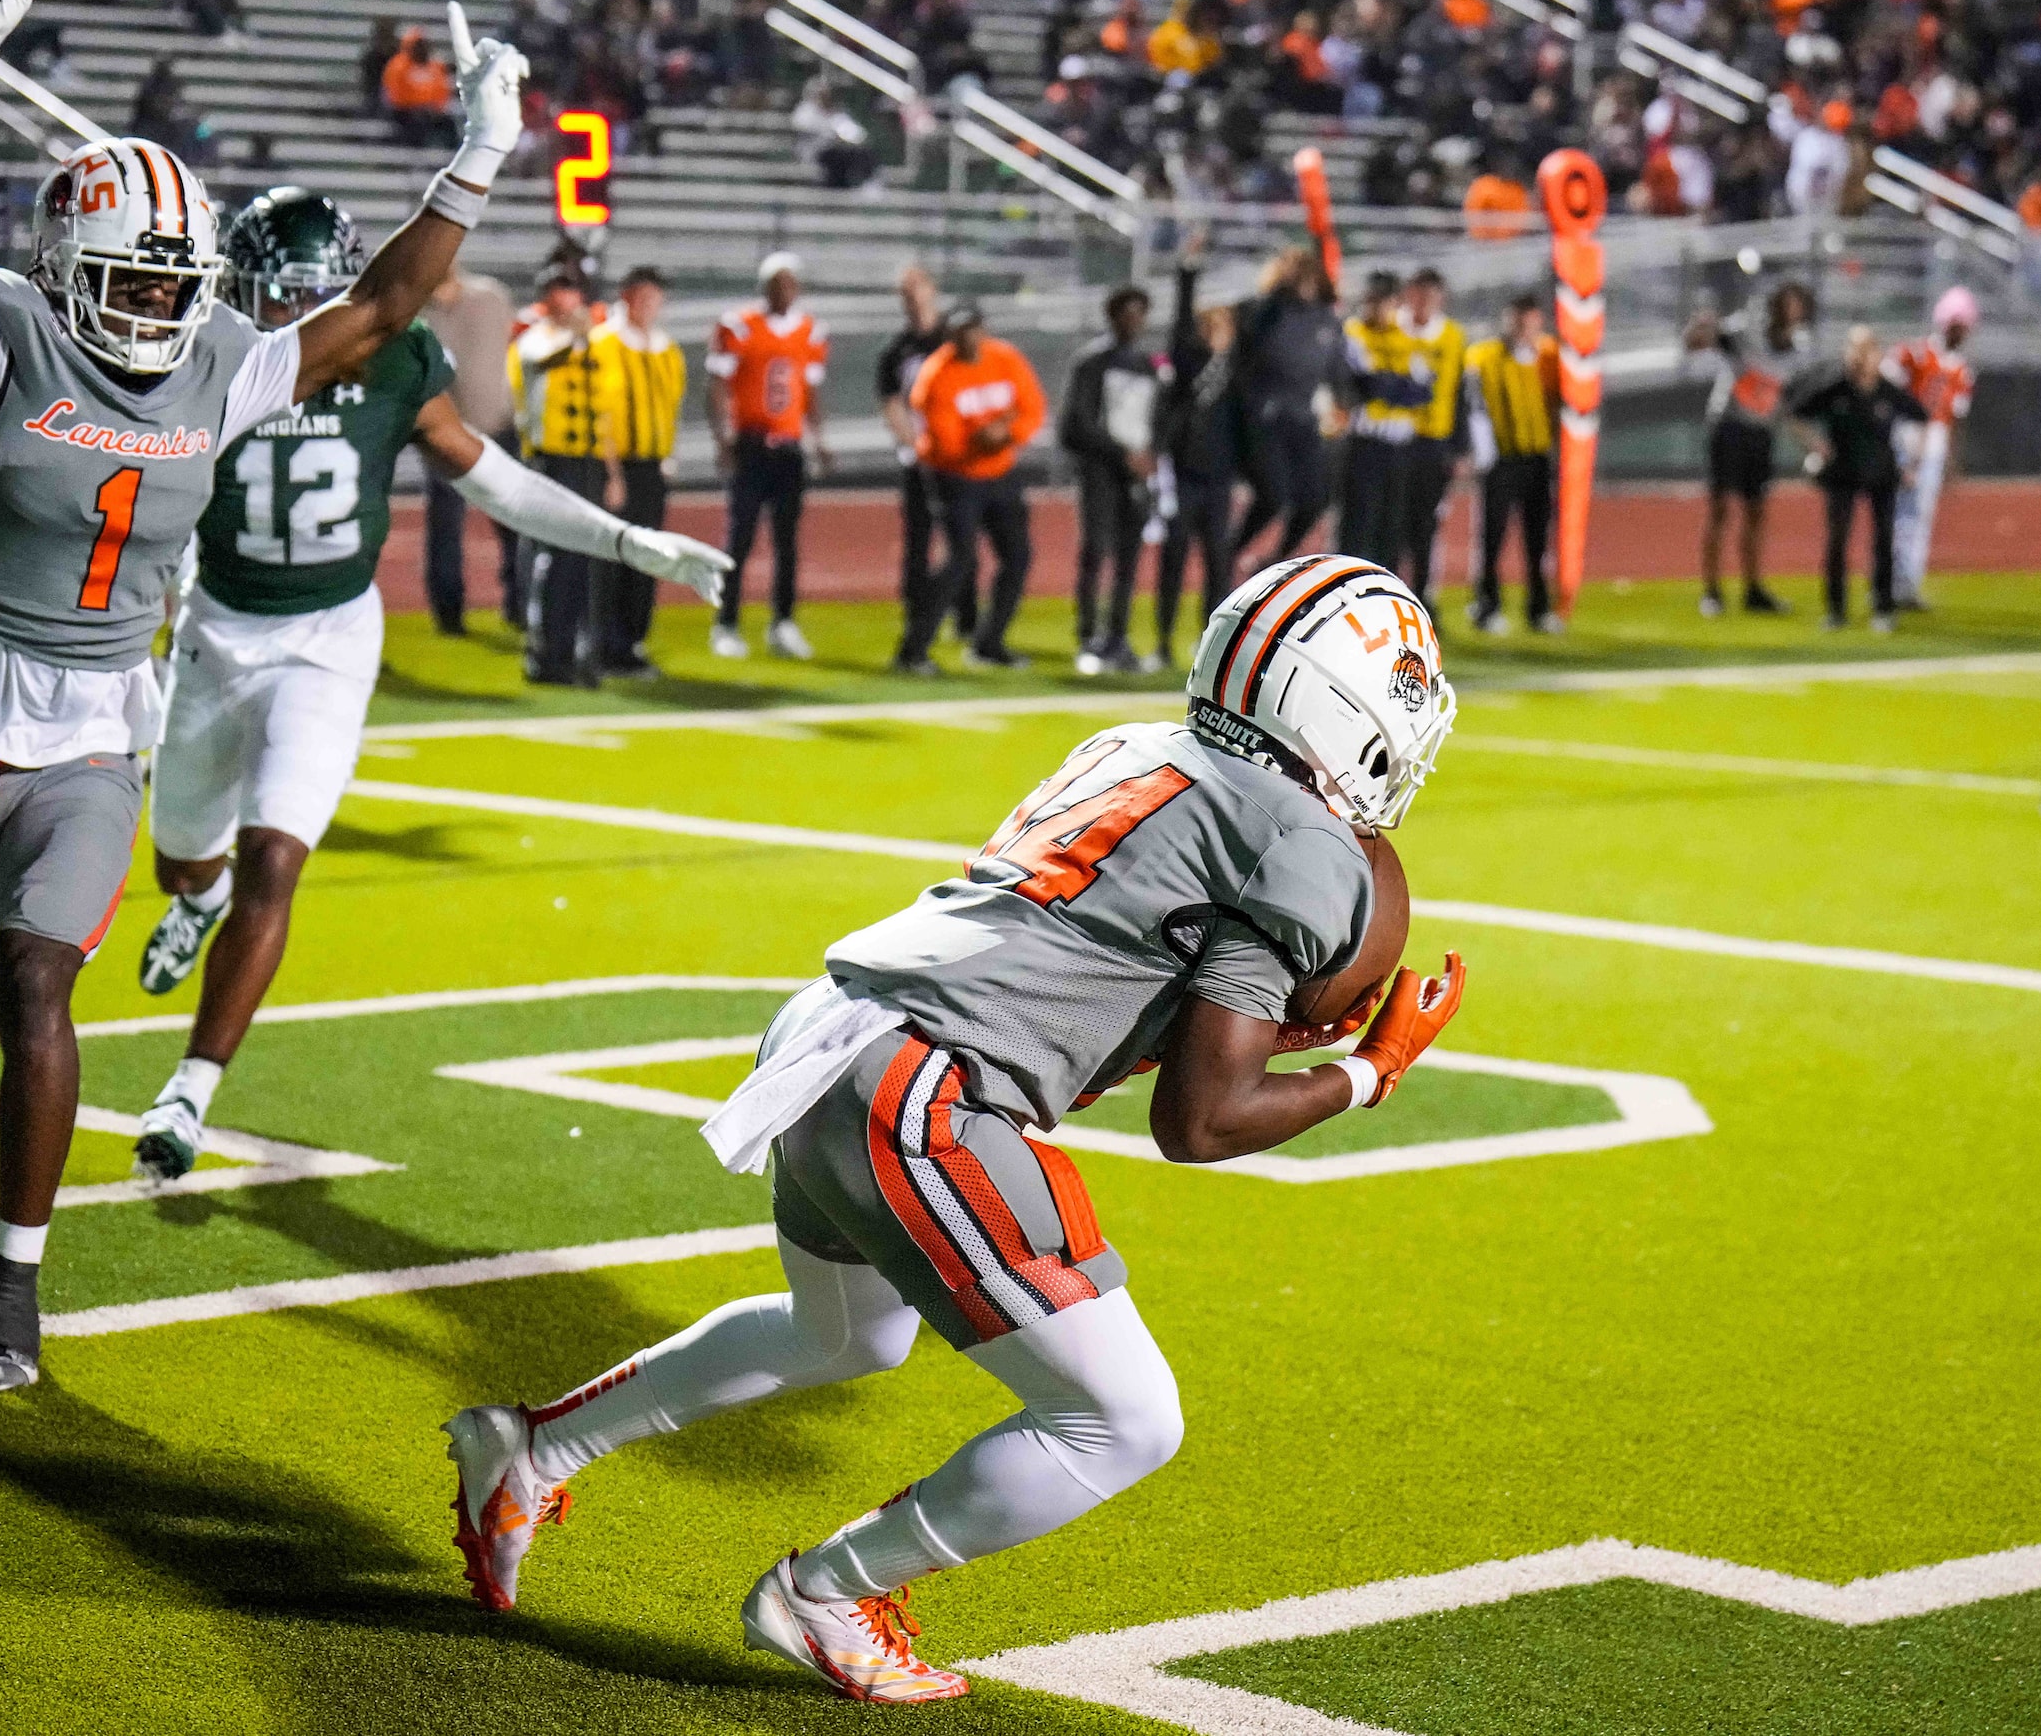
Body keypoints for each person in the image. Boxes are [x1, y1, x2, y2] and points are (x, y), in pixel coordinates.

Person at [439, 556, 1469, 1701]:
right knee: (1124, 1421)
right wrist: (1365, 1073)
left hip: (831, 1035)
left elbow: (1099, 966)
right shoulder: (1306, 847)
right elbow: (1201, 1120)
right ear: (1346, 711)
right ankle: (825, 1593)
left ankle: (535, 1450)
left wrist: (1242, 1021)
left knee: (844, 1338)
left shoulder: (1135, 746)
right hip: (921, 1090)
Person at [0, 0, 528, 1395]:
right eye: (130, 277)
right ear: (70, 264)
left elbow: (388, 300)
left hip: (92, 741)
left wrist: (478, 160)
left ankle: (11, 1297)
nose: (155, 302)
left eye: (171, 278)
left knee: (37, 988)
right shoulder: (3, 335)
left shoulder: (222, 358)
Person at [133, 193, 725, 1174]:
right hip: (214, 632)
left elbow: (493, 478)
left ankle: (188, 1093)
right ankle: (196, 901)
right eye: (280, 298)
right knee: (185, 859)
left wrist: (624, 541)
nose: (296, 318)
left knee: (275, 857)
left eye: (314, 296)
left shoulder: (396, 362)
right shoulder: (208, 359)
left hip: (327, 636)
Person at [904, 302, 1043, 667]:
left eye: (974, 329)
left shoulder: (1005, 358)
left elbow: (1033, 408)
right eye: (961, 331)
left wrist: (1004, 433)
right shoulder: (936, 375)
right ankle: (913, 649)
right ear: (951, 336)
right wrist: (993, 433)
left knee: (1018, 556)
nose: (970, 337)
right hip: (954, 477)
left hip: (1000, 472)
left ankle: (989, 642)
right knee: (959, 560)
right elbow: (948, 444)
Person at [707, 251, 831, 661]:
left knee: (787, 542)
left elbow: (810, 392)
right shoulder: (740, 325)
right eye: (777, 282)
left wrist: (819, 439)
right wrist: (723, 440)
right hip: (751, 444)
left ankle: (783, 623)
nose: (784, 290)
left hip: (788, 448)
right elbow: (717, 385)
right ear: (764, 286)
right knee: (738, 540)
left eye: (790, 282)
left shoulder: (810, 332)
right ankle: (725, 624)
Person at [508, 263, 624, 686]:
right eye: (557, 292)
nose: (566, 300)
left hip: (588, 462)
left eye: (571, 291)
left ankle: (580, 649)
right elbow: (544, 360)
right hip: (552, 461)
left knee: (586, 560)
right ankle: (547, 653)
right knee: (557, 559)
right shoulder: (534, 338)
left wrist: (613, 473)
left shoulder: (595, 345)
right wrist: (579, 335)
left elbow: (603, 414)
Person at [1785, 325, 1926, 633]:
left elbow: (1920, 418)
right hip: (1842, 473)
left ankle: (1883, 607)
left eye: (1866, 349)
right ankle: (1836, 610)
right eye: (1854, 348)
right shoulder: (1834, 388)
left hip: (1881, 472)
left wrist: (1913, 462)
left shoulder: (1888, 391)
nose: (1860, 357)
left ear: (1877, 353)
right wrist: (1817, 446)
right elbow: (1793, 413)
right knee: (1837, 541)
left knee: (1884, 540)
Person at [1687, 281, 1814, 616]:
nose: (1792, 311)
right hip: (1728, 426)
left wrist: (1808, 440)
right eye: (1787, 303)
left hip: (1760, 432)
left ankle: (1753, 588)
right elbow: (1699, 342)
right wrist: (1703, 325)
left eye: (1797, 304)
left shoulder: (1799, 350)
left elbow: (1785, 401)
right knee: (1720, 509)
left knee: (1757, 512)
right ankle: (1712, 591)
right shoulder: (1746, 332)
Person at [1058, 284, 1166, 675]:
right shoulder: (1092, 363)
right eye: (1128, 313)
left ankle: (1118, 637)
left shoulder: (1147, 365)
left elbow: (1155, 421)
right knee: (1095, 552)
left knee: (1128, 559)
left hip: (1133, 475)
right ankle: (1089, 638)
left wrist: (1152, 454)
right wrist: (1124, 453)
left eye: (1141, 313)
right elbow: (1075, 425)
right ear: (1113, 316)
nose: (1135, 321)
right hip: (1101, 472)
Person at [592, 266, 687, 676]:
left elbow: (672, 407)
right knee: (613, 557)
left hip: (651, 466)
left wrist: (667, 456)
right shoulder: (604, 345)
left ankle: (631, 641)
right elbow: (600, 413)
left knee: (647, 557)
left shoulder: (666, 350)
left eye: (656, 298)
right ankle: (605, 643)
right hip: (616, 465)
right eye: (643, 297)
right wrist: (610, 473)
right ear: (626, 297)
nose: (650, 306)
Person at [1229, 248, 1347, 574]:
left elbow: (1338, 374)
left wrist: (1346, 399)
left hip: (1303, 418)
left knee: (1316, 498)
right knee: (1274, 494)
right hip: (1265, 416)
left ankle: (1277, 560)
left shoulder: (1328, 320)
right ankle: (1227, 552)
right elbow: (1247, 344)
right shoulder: (1266, 312)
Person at [417, 254, 518, 635]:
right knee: (446, 528)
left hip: (500, 425)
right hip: (447, 435)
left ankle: (520, 604)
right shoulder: (419, 313)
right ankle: (449, 612)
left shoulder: (492, 297)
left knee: (514, 519)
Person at [1153, 236, 1238, 672]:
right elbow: (1178, 326)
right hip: (1185, 476)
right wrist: (1188, 270)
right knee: (1173, 559)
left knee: (1219, 570)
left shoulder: (1238, 370)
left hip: (1220, 479)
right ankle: (1163, 642)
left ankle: (1213, 652)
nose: (1216, 331)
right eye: (1211, 324)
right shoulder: (1188, 361)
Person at [1462, 294, 1563, 635]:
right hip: (1501, 459)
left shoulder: (1549, 356)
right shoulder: (1485, 356)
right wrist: (1482, 451)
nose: (1523, 329)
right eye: (1517, 321)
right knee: (1492, 536)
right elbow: (1475, 404)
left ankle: (1539, 608)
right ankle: (1486, 605)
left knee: (1538, 539)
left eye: (1529, 322)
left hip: (1537, 458)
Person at [877, 265, 957, 675]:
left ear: (932, 289)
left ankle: (962, 619)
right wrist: (916, 445)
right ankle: (918, 622)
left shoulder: (953, 338)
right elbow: (892, 405)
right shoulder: (897, 351)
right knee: (919, 545)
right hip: (923, 460)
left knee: (962, 545)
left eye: (916, 289)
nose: (912, 298)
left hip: (961, 459)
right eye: (904, 292)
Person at [1885, 286, 1977, 612]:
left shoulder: (1961, 370)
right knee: (1896, 512)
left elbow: (1955, 418)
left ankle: (1907, 583)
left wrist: (1954, 457)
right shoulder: (1915, 354)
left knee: (1920, 515)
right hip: (1907, 436)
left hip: (1934, 442)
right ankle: (1889, 582)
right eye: (1957, 324)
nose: (1961, 332)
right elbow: (1887, 386)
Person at [1337, 270, 1430, 572]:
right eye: (1373, 301)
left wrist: (1388, 385)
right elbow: (1369, 385)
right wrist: (1397, 385)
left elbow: (1423, 391)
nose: (1377, 308)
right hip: (1365, 443)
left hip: (1401, 446)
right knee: (1357, 525)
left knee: (1393, 528)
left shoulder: (1409, 336)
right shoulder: (1354, 332)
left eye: (1385, 301)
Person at [1396, 266, 1468, 613]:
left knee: (1425, 525)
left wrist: (1460, 446)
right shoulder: (1394, 329)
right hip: (1394, 439)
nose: (1424, 303)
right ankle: (1388, 593)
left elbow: (1458, 393)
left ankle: (1424, 597)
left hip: (1432, 443)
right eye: (1419, 295)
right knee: (1391, 522)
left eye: (1431, 297)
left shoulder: (1452, 336)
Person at [382, 26, 455, 147]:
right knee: (416, 123)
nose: (421, 49)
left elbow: (442, 91)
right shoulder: (398, 66)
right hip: (404, 111)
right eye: (418, 45)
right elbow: (395, 93)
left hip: (430, 111)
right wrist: (415, 105)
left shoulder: (435, 66)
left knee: (448, 123)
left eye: (423, 45)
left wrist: (435, 107)